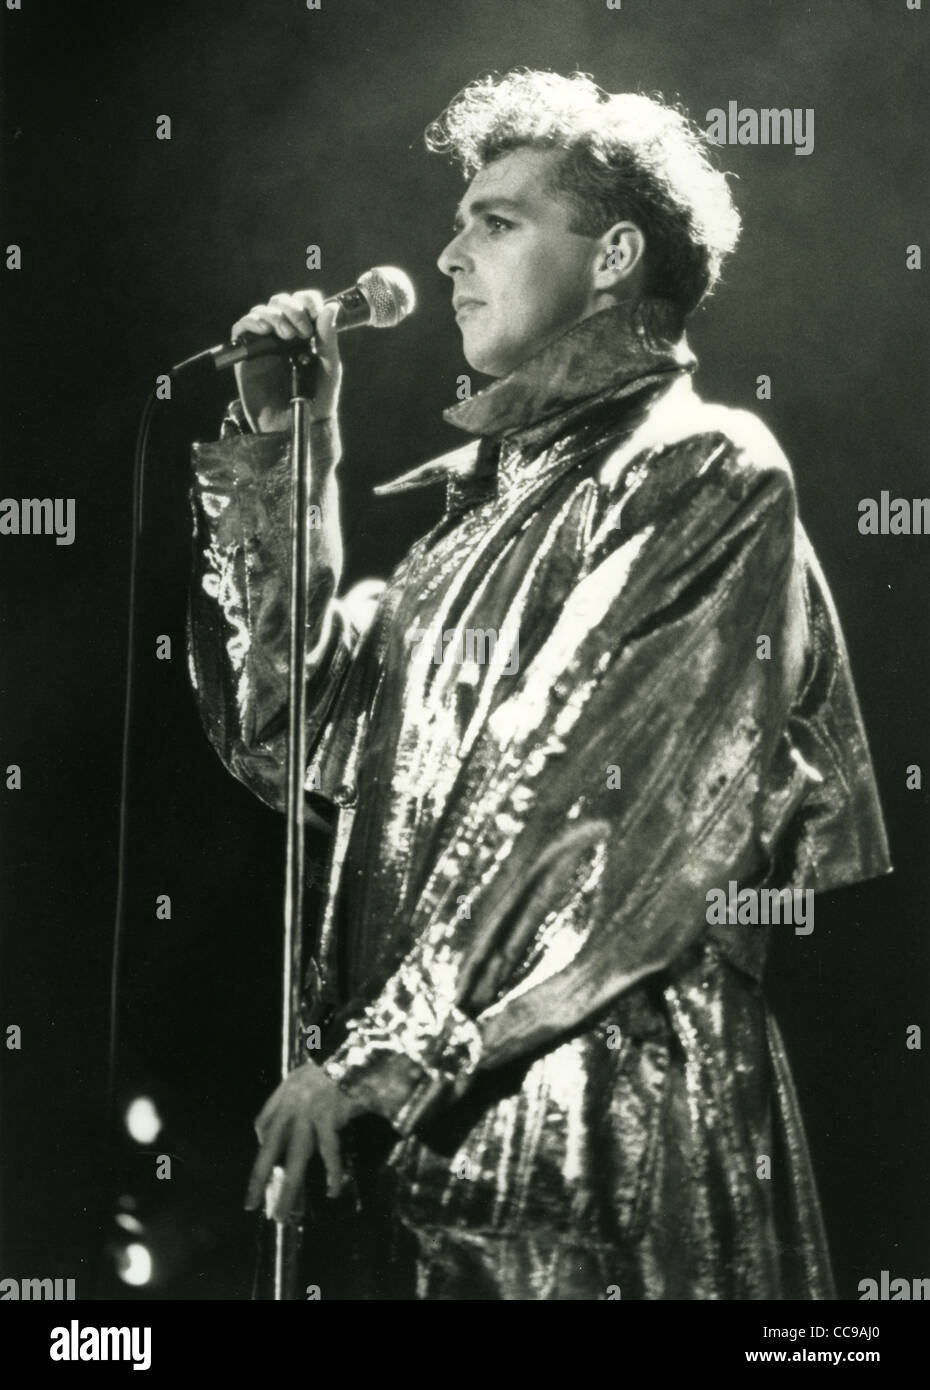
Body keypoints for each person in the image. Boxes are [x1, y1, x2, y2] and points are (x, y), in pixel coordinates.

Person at [187, 69, 890, 1300]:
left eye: (495, 222)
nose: (449, 254)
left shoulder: (707, 469)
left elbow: (584, 794)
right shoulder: (461, 533)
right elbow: (281, 736)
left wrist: (387, 1056)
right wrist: (289, 451)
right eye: (459, 222)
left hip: (607, 1126)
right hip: (430, 1146)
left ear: (615, 253)